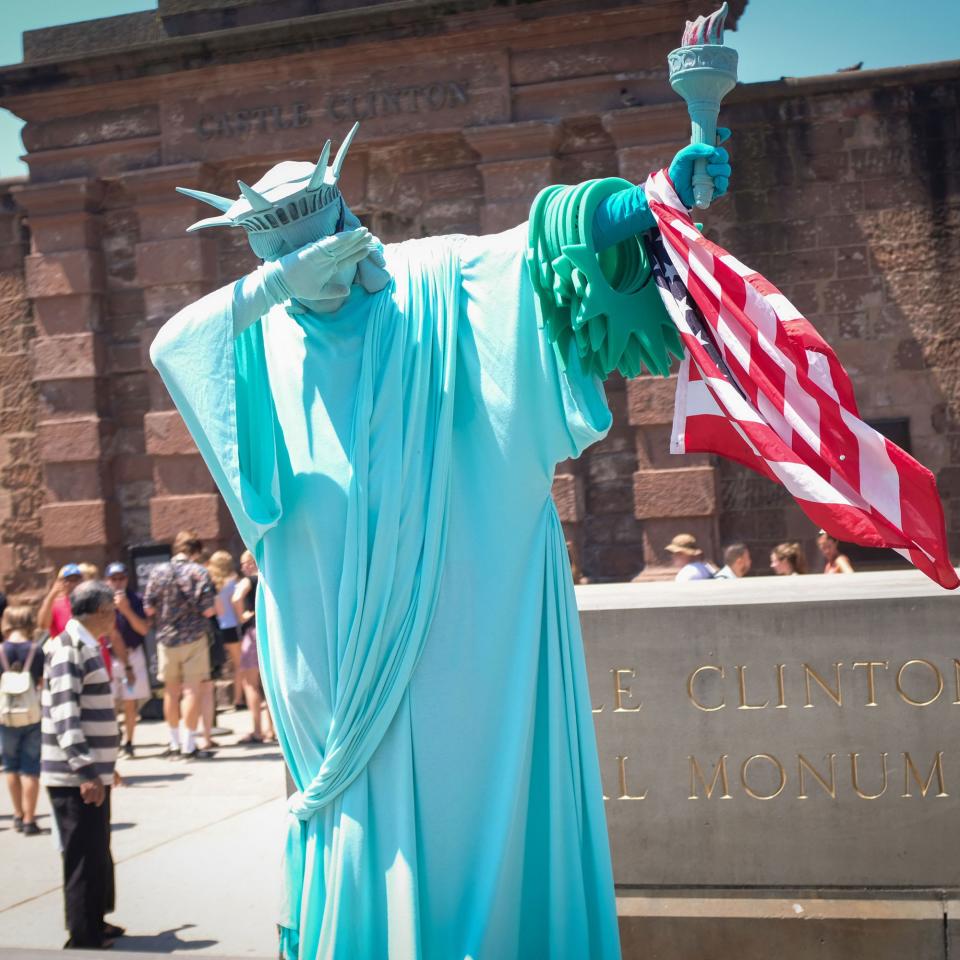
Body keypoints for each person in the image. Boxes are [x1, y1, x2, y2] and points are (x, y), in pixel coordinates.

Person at [150, 116, 730, 957]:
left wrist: (659, 198)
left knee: (468, 794)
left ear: (349, 221)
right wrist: (278, 288)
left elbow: (534, 251)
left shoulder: (430, 280)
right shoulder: (252, 339)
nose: (334, 273)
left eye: (335, 242)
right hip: (329, 640)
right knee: (357, 807)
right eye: (305, 263)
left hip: (462, 613)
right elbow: (175, 344)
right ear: (272, 265)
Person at [41, 580, 125, 951]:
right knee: (81, 854)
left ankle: (97, 920)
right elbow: (65, 715)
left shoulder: (89, 645)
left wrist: (106, 767)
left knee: (96, 849)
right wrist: (86, 770)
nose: (114, 618)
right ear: (98, 614)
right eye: (111, 611)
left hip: (92, 773)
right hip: (74, 776)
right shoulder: (68, 649)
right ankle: (82, 936)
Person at [143, 530, 217, 761]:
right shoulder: (199, 572)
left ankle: (173, 742)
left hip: (166, 638)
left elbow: (149, 608)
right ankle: (188, 744)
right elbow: (208, 610)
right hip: (194, 637)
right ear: (196, 551)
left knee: (170, 692)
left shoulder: (158, 572)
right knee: (191, 691)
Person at [0, 606, 44, 836]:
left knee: (10, 765)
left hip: (6, 715)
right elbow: (41, 682)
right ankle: (30, 819)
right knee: (31, 766)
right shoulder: (36, 650)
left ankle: (17, 814)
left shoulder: (1, 650)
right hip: (31, 713)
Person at [104, 562, 151, 758]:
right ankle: (113, 738)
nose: (117, 582)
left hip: (133, 653)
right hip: (109, 656)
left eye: (121, 578)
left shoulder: (136, 599)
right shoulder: (101, 600)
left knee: (130, 701)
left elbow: (143, 629)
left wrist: (126, 610)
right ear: (107, 581)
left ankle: (129, 742)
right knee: (110, 702)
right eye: (113, 579)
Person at [232, 551, 275, 744]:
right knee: (270, 686)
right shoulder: (271, 578)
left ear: (251, 563)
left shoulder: (248, 581)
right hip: (270, 633)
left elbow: (235, 598)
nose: (242, 568)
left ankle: (257, 730)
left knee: (250, 684)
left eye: (244, 563)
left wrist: (242, 616)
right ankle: (272, 730)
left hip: (253, 632)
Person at [208, 550, 244, 711]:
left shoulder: (212, 583)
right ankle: (238, 699)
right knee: (239, 665)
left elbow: (217, 610)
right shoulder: (234, 581)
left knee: (215, 666)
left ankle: (212, 703)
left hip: (217, 627)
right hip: (232, 626)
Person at [37, 563, 83, 638]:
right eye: (68, 580)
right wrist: (51, 595)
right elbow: (43, 625)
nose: (73, 584)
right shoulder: (56, 604)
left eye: (76, 579)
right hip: (63, 647)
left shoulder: (87, 603)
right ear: (62, 582)